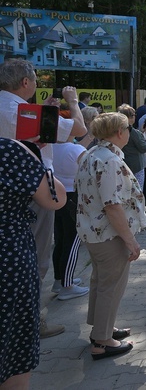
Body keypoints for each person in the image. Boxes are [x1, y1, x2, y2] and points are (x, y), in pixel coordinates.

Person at [0, 59, 86, 339]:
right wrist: (72, 102)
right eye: (35, 79)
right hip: (33, 192)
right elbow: (79, 130)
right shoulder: (24, 111)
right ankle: (31, 321)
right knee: (35, 256)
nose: (36, 84)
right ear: (25, 83)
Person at [75, 112, 146, 360]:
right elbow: (112, 205)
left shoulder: (91, 154)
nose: (129, 132)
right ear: (119, 132)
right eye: (127, 128)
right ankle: (102, 341)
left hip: (93, 232)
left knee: (100, 282)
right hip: (108, 235)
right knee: (111, 286)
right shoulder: (109, 160)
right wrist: (131, 240)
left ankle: (101, 329)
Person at [0, 138, 65, 389]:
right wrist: (39, 156)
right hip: (9, 260)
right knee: (14, 352)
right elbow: (55, 198)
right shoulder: (10, 150)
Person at [51, 139, 90, 300]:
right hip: (73, 196)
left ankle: (60, 280)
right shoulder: (75, 149)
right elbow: (89, 171)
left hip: (57, 195)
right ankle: (67, 285)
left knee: (61, 239)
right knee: (72, 241)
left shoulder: (51, 147)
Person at [118, 104, 146, 189]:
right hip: (135, 166)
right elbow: (144, 147)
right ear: (130, 117)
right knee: (137, 190)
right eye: (134, 115)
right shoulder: (132, 131)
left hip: (123, 163)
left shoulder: (117, 130)